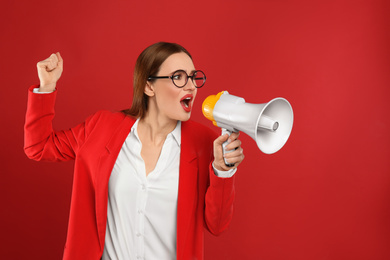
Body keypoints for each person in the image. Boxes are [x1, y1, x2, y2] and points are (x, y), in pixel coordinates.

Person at [24, 42, 244, 260]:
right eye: (178, 77)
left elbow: (217, 225)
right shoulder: (101, 127)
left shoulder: (206, 142)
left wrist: (223, 171)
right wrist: (47, 86)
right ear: (149, 86)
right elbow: (39, 146)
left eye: (193, 77)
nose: (191, 87)